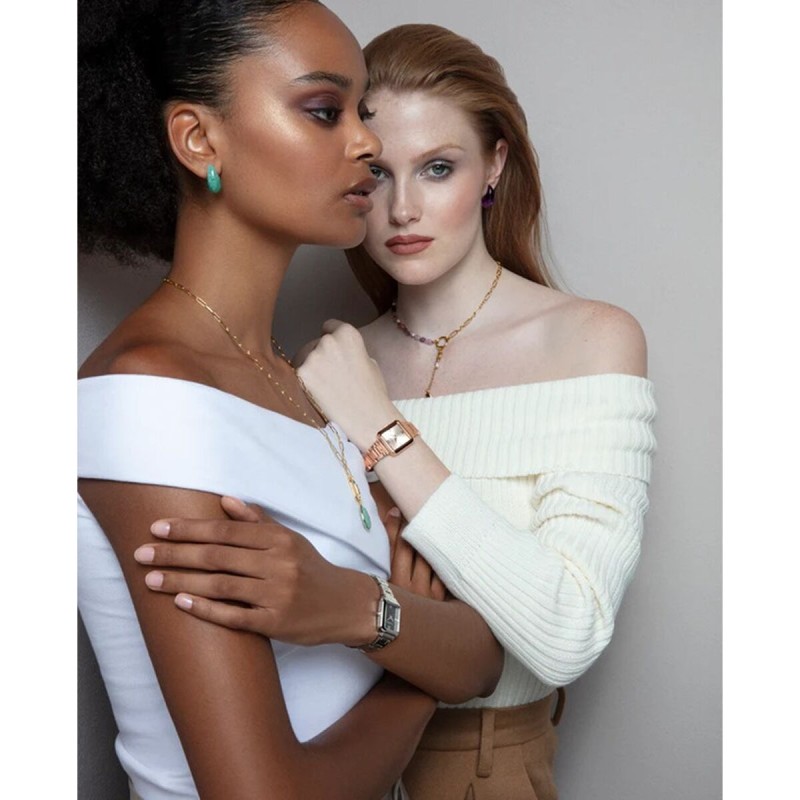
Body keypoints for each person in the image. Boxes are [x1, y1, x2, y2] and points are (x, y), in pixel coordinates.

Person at [132, 22, 657, 800]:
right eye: (378, 173)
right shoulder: (321, 366)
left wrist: (383, 430)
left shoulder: (589, 340)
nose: (403, 208)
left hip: (475, 765)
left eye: (438, 168)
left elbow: (566, 634)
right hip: (320, 753)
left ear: (494, 165)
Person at [78, 4, 506, 799]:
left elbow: (482, 658)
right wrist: (408, 652)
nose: (368, 144)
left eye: (362, 112)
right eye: (323, 110)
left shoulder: (297, 381)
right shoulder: (151, 397)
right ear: (198, 140)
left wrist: (355, 608)